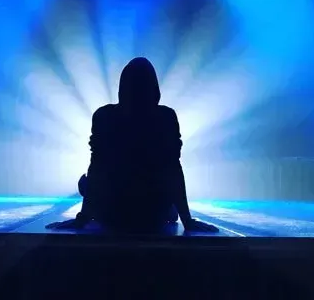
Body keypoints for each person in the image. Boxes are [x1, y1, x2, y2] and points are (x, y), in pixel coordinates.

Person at [46, 57, 218, 234]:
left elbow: (97, 168)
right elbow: (173, 169)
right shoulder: (166, 117)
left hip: (113, 213)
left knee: (87, 185)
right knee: (167, 207)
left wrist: (82, 218)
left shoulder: (104, 116)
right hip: (153, 215)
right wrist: (187, 220)